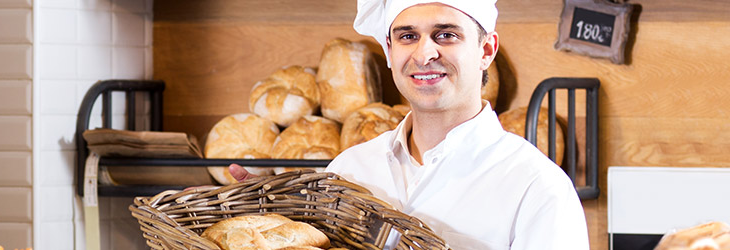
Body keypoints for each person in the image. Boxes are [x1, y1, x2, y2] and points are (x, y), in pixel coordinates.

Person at [227, 0, 590, 249]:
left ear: (486, 51)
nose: (424, 53)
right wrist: (282, 219)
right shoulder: (348, 169)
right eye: (407, 36)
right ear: (389, 50)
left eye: (446, 35)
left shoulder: (538, 188)